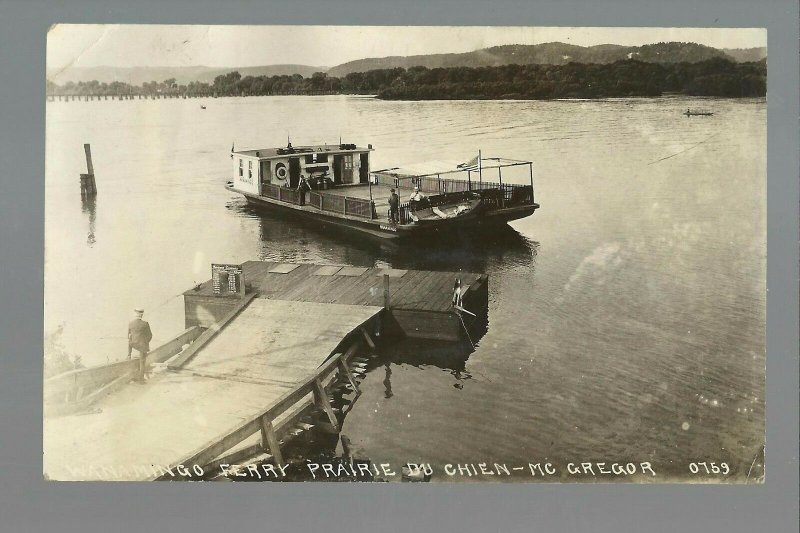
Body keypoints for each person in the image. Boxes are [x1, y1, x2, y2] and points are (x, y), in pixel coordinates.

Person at [128, 308, 153, 382]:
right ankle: (141, 380)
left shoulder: (130, 323)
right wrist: (145, 341)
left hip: (132, 345)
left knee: (130, 341)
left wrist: (130, 351)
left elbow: (129, 335)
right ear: (141, 315)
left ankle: (129, 355)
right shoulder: (145, 324)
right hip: (142, 345)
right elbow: (150, 335)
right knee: (142, 362)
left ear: (135, 314)